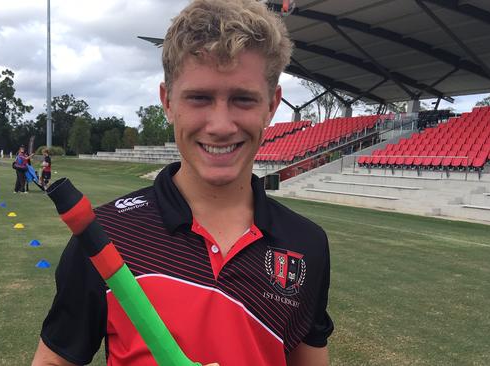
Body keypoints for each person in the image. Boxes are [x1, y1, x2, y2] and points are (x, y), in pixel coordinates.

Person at [32, 1, 332, 365]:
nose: (221, 125)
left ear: (271, 105)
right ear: (168, 101)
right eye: (200, 98)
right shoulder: (106, 234)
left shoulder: (307, 243)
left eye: (242, 99)